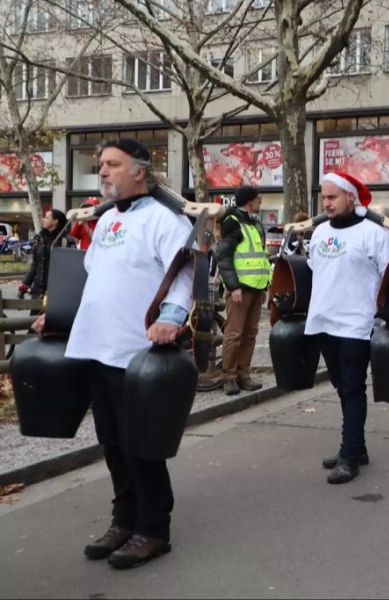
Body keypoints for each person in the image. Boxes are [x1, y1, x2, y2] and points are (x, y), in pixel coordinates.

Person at [33, 139, 193, 568]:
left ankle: (154, 529)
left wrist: (171, 320)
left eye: (112, 164)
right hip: (97, 348)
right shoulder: (105, 223)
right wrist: (59, 319)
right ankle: (125, 520)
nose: (102, 171)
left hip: (137, 353)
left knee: (141, 444)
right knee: (112, 443)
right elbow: (95, 282)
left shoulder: (165, 220)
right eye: (100, 164)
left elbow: (182, 277)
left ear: (140, 171)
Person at [306, 172, 389, 484]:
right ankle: (357, 446)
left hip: (357, 324)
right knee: (341, 386)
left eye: (332, 197)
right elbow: (314, 270)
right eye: (324, 197)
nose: (326, 203)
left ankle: (349, 456)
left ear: (350, 198)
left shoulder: (375, 234)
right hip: (323, 321)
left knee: (353, 387)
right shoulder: (319, 233)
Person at [216, 185, 271, 396]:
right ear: (250, 202)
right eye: (258, 199)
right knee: (234, 334)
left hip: (256, 287)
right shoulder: (233, 222)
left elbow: (260, 256)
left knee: (250, 334)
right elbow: (224, 256)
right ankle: (228, 377)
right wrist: (233, 286)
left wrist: (265, 283)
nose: (260, 203)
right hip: (241, 289)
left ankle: (243, 374)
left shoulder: (254, 223)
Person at [19, 209, 69, 302]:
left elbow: (70, 270)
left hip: (58, 292)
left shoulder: (67, 241)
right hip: (38, 291)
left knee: (54, 317)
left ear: (55, 221)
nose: (43, 219)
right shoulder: (39, 238)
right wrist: (25, 285)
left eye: (46, 217)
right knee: (34, 316)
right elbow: (35, 264)